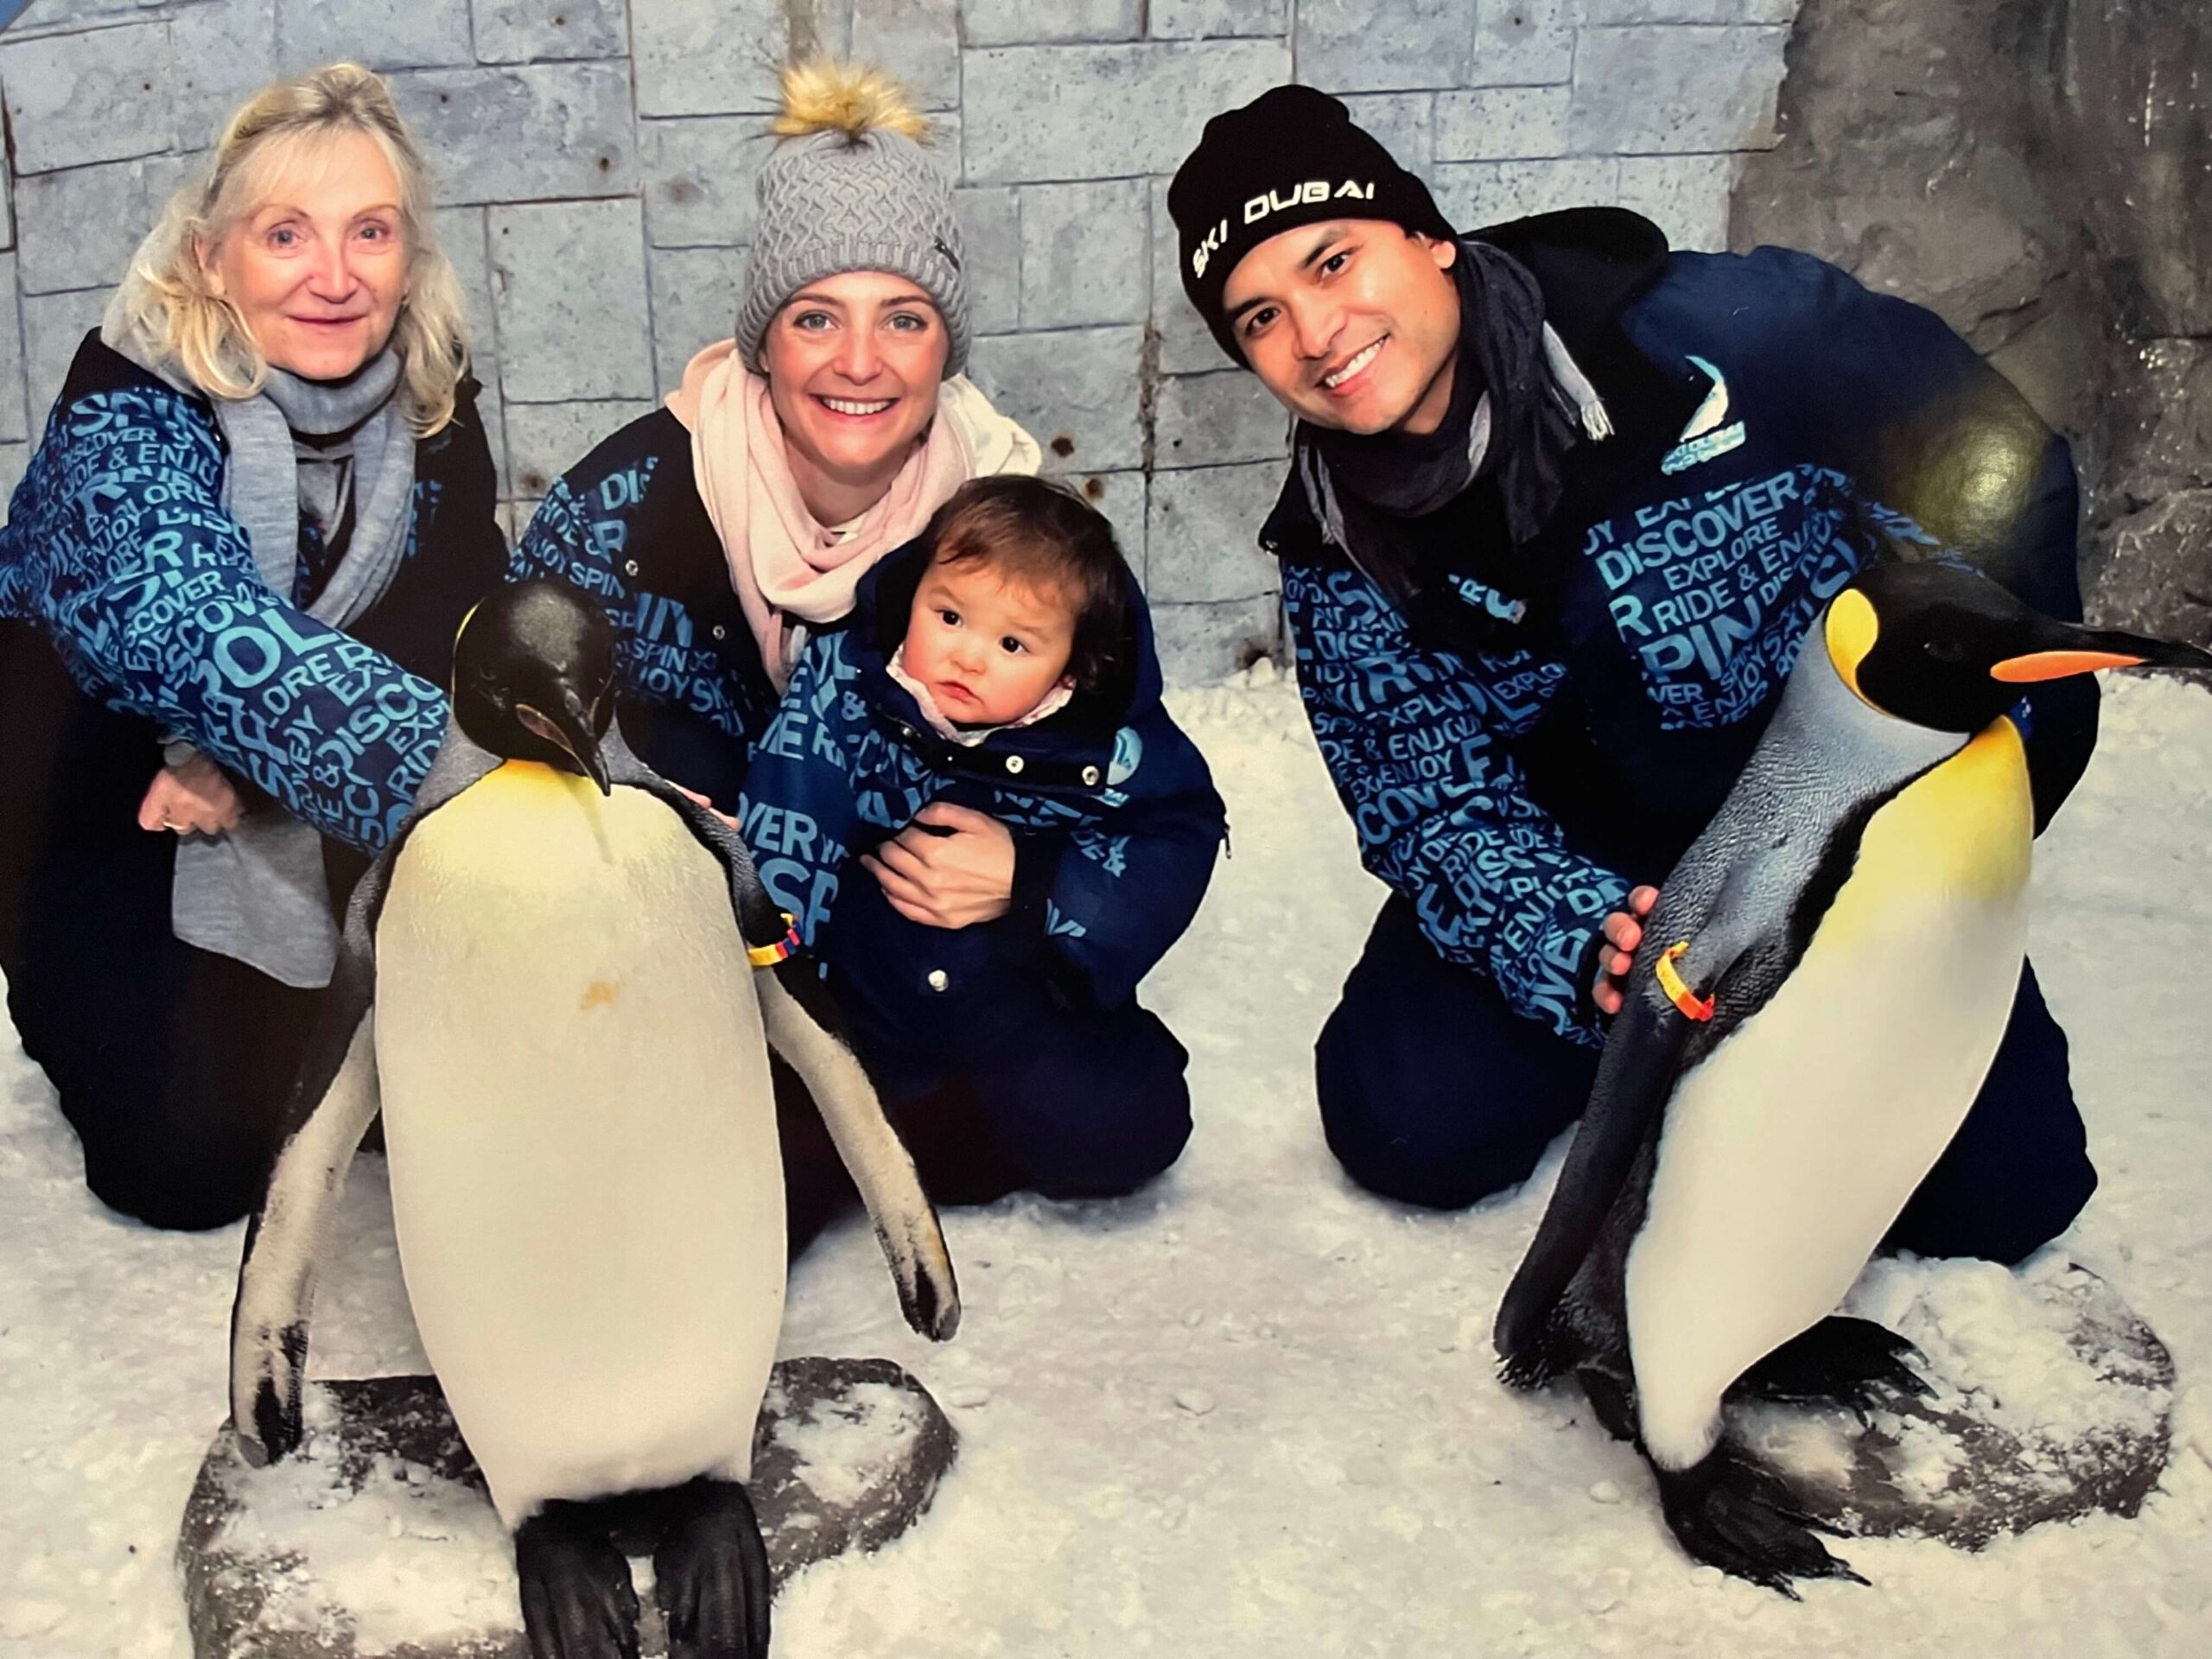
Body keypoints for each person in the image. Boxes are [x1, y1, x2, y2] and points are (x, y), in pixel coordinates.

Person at [1166, 85, 2098, 1264]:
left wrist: (1966, 808)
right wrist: (1581, 941)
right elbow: (1431, 811)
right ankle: (1677, 1051)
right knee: (1405, 1123)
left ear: (1429, 237)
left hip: (1844, 821)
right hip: (1595, 861)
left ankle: (1776, 1047)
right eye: (1257, 318)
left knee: (2007, 1196)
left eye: (1334, 261)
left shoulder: (1746, 339)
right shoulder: (1338, 550)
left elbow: (2002, 475)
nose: (1314, 330)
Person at [0, 64, 507, 1230]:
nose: (335, 278)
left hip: (273, 774)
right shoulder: (123, 399)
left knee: (423, 1100)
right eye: (286, 234)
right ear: (208, 258)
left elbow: (452, 606)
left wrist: (250, 755)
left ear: (409, 259)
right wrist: (516, 799)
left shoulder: (432, 391)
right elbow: (188, 623)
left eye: (370, 232)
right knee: (184, 1171)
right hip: (91, 779)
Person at [737, 476, 1223, 1246]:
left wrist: (1039, 884)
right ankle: (845, 1146)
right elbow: (791, 812)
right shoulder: (848, 690)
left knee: (1134, 1118)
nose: (967, 655)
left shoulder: (1106, 748)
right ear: (914, 594)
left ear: (1073, 668)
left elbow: (1175, 833)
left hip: (1015, 1006)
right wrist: (780, 966)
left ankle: (929, 1146)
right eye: (950, 615)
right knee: (766, 1150)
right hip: (867, 1003)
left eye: (1012, 644)